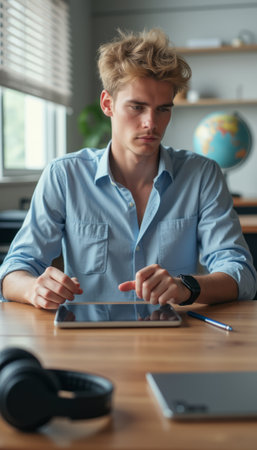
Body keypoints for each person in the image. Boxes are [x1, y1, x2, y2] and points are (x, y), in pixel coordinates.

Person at [0, 28, 256, 310]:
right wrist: (33, 288)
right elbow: (13, 271)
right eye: (137, 107)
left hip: (177, 342)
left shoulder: (201, 175)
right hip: (89, 342)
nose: (151, 123)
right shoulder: (64, 176)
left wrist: (186, 287)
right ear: (108, 104)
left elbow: (240, 273)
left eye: (163, 109)